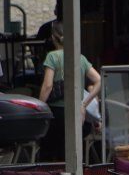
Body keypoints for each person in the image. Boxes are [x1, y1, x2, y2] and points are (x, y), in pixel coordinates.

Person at [35, 22, 101, 161]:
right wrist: (84, 104)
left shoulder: (52, 57)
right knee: (73, 153)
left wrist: (39, 107)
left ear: (53, 38)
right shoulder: (80, 58)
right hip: (77, 113)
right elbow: (99, 80)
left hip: (57, 115)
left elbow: (47, 86)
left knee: (50, 153)